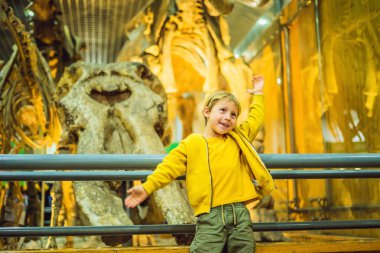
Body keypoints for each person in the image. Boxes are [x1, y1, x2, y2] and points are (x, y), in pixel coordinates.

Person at [124, 75, 276, 253]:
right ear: (207, 112)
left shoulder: (237, 137)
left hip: (240, 214)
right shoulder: (192, 143)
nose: (228, 117)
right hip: (210, 217)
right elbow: (168, 168)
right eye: (223, 111)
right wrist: (146, 188)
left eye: (233, 114)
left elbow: (256, 118)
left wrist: (258, 93)